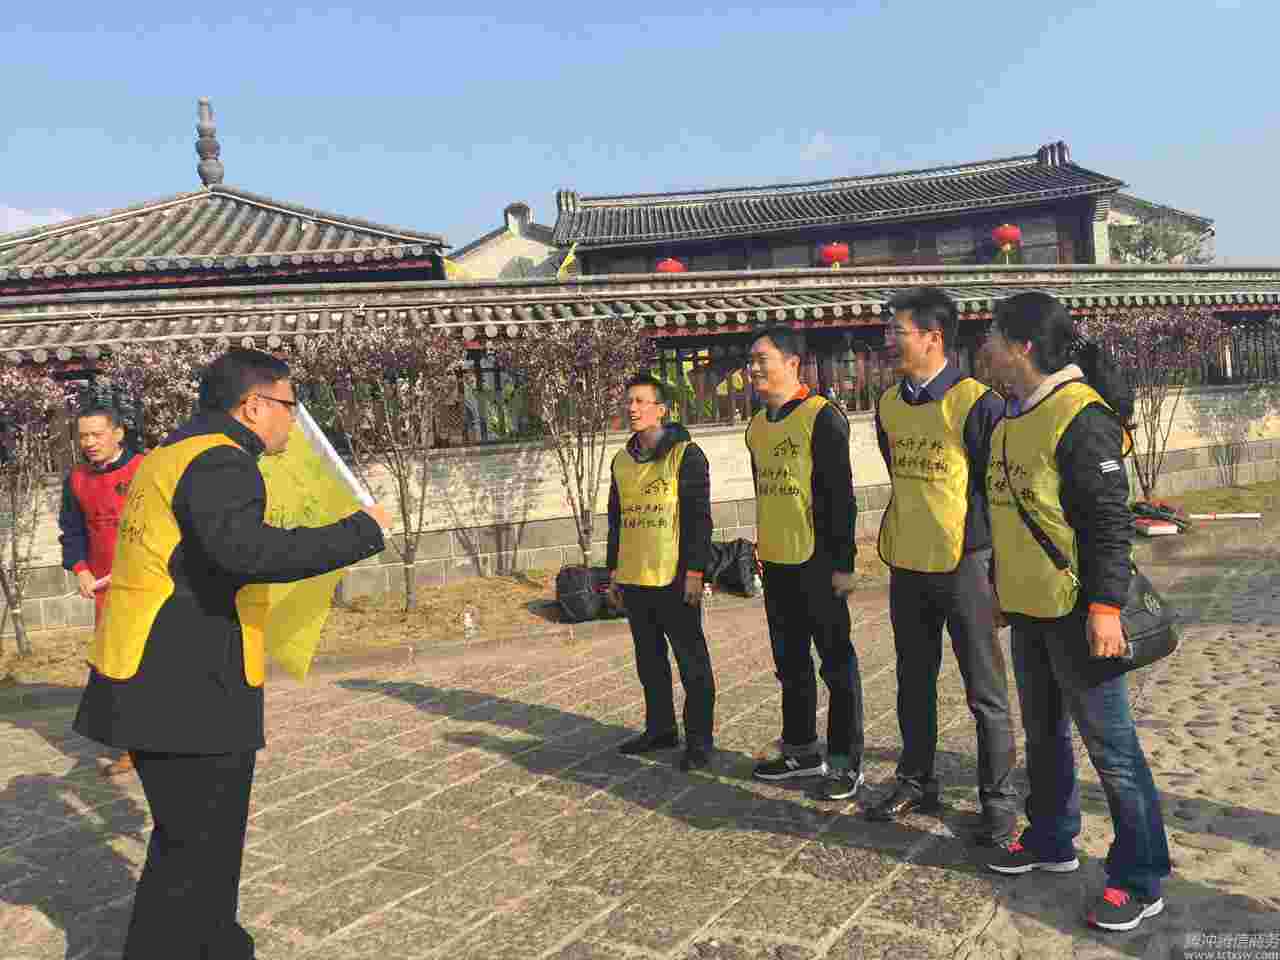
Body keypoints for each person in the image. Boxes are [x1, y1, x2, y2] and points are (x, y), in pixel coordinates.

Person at [72, 348, 391, 958]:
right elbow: (246, 553)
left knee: (190, 846)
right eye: (290, 406)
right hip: (187, 684)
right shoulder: (220, 460)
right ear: (253, 406)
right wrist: (362, 530)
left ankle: (216, 943)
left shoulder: (172, 452)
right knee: (196, 851)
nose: (294, 420)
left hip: (153, 673)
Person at [980, 292, 1170, 932]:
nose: (985, 347)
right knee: (1044, 735)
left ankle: (1140, 876)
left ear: (1022, 346)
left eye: (993, 336)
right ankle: (1051, 837)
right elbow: (1011, 514)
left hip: (1079, 610)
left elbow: (1108, 523)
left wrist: (1106, 607)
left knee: (1113, 751)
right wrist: (1002, 590)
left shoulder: (1080, 415)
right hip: (1029, 609)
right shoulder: (1010, 415)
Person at [869, 287, 1019, 845]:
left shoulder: (979, 403)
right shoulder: (888, 404)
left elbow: (997, 490)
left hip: (966, 565)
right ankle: (916, 780)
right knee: (913, 681)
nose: (888, 340)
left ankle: (998, 801)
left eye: (897, 331)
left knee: (985, 690)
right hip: (908, 564)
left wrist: (999, 575)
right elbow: (897, 470)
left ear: (933, 338)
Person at [744, 326, 865, 800]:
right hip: (777, 562)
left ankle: (845, 762)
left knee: (836, 663)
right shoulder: (757, 426)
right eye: (751, 360)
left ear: (792, 363)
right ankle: (800, 749)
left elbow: (841, 496)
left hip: (818, 562)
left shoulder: (822, 417)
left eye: (762, 358)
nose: (753, 368)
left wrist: (844, 563)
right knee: (790, 662)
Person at [605, 374, 716, 771]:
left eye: (641, 401)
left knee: (691, 661)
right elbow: (616, 521)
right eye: (629, 401)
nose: (632, 408)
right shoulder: (621, 461)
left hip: (675, 577)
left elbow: (699, 519)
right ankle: (660, 729)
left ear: (662, 410)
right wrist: (613, 572)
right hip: (636, 577)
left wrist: (696, 571)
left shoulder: (686, 455)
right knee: (649, 661)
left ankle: (700, 740)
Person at [58, 404, 146, 779]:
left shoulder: (145, 469)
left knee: (154, 663)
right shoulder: (77, 479)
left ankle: (170, 742)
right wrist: (80, 568)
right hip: (106, 592)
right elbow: (72, 530)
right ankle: (131, 747)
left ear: (118, 433)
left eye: (97, 434)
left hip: (149, 584)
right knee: (115, 667)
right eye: (84, 436)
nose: (89, 442)